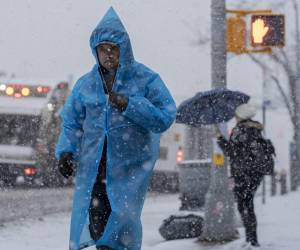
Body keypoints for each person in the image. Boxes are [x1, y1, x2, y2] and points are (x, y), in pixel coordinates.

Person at [55, 7, 176, 250]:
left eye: (113, 48)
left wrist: (130, 104)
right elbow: (71, 121)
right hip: (95, 174)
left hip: (129, 174)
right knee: (101, 232)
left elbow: (165, 116)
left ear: (124, 49)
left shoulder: (145, 79)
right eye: (103, 49)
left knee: (124, 229)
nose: (108, 54)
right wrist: (66, 151)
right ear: (95, 51)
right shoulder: (85, 85)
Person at [216, 103, 273, 248]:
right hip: (256, 173)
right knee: (248, 203)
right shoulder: (256, 129)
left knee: (244, 205)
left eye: (236, 115)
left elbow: (233, 152)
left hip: (243, 173)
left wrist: (221, 140)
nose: (235, 117)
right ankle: (251, 239)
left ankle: (251, 240)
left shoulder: (240, 130)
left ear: (241, 116)